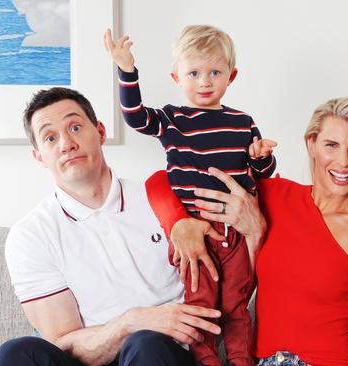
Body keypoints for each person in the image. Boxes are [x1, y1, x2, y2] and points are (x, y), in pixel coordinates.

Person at [146, 96, 348, 366]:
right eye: (331, 145)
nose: (343, 162)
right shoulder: (272, 197)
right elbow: (159, 181)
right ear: (311, 144)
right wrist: (179, 222)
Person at [0, 87, 224, 366]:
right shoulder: (29, 236)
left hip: (160, 354)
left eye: (75, 127)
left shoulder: (160, 198)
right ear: (39, 156)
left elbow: (225, 267)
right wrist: (129, 322)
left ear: (100, 132)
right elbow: (63, 340)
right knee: (17, 353)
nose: (66, 144)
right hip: (90, 358)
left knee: (145, 343)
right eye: (50, 137)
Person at [104, 25, 276, 366]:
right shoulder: (172, 119)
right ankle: (206, 360)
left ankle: (242, 360)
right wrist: (126, 69)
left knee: (236, 305)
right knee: (201, 304)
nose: (204, 82)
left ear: (232, 76)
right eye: (194, 73)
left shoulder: (243, 123)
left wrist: (261, 157)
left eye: (215, 72)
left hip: (236, 233)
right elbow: (136, 118)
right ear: (177, 77)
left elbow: (263, 175)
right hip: (195, 234)